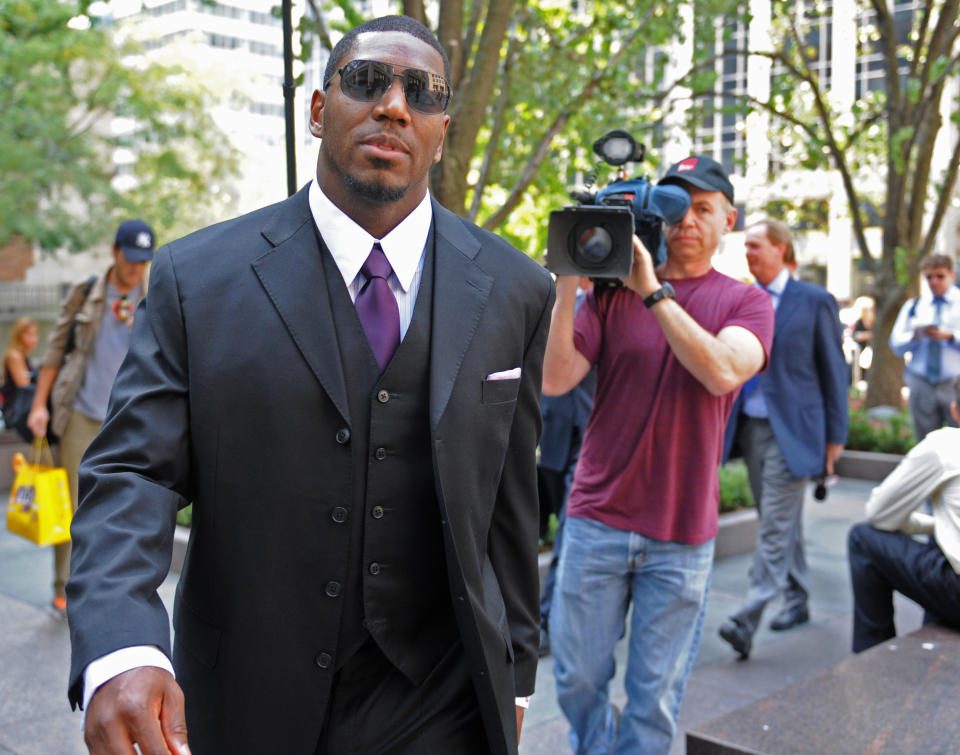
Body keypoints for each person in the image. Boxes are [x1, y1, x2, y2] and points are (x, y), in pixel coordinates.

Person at [65, 16, 553, 755]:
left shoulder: (516, 287)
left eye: (421, 94)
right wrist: (124, 644)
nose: (393, 105)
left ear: (441, 131)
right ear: (320, 111)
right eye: (366, 81)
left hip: (442, 701)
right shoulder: (196, 278)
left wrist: (514, 674)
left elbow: (511, 506)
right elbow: (133, 469)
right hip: (245, 698)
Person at [542, 155, 774, 753]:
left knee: (654, 695)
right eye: (673, 208)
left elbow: (723, 371)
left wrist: (654, 290)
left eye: (702, 209)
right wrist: (570, 277)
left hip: (680, 532)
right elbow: (555, 379)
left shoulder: (746, 304)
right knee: (577, 677)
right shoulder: (611, 295)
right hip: (597, 518)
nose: (686, 222)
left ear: (730, 219)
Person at [718, 219, 849, 660]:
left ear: (781, 249)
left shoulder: (814, 301)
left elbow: (835, 373)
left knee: (774, 524)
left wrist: (836, 437)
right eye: (746, 248)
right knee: (778, 518)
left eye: (756, 246)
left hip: (795, 433)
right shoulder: (743, 299)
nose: (748, 254)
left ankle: (747, 616)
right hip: (751, 430)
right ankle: (798, 598)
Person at [26, 219, 154, 614]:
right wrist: (38, 406)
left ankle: (110, 584)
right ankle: (64, 585)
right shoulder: (86, 294)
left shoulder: (155, 295)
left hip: (128, 416)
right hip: (82, 414)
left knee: (123, 504)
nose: (136, 269)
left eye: (143, 261)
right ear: (115, 251)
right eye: (130, 259)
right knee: (73, 504)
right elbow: (54, 352)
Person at [847, 375, 960, 652]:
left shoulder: (945, 446)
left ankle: (873, 654)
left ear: (954, 409)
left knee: (863, 539)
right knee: (944, 537)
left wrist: (932, 526)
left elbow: (879, 514)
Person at [537, 278, 596, 658]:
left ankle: (546, 620)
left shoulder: (616, 303)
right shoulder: (551, 301)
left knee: (570, 530)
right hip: (554, 435)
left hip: (594, 438)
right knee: (561, 526)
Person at [889, 254, 960, 441]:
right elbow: (896, 344)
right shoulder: (915, 306)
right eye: (929, 277)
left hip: (954, 383)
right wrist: (915, 336)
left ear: (951, 275)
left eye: (940, 276)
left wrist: (951, 337)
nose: (934, 282)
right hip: (922, 382)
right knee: (925, 443)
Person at [1, 316, 39, 422]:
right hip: (15, 411)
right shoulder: (14, 356)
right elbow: (24, 385)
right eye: (29, 334)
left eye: (35, 334)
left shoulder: (24, 356)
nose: (34, 339)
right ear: (19, 336)